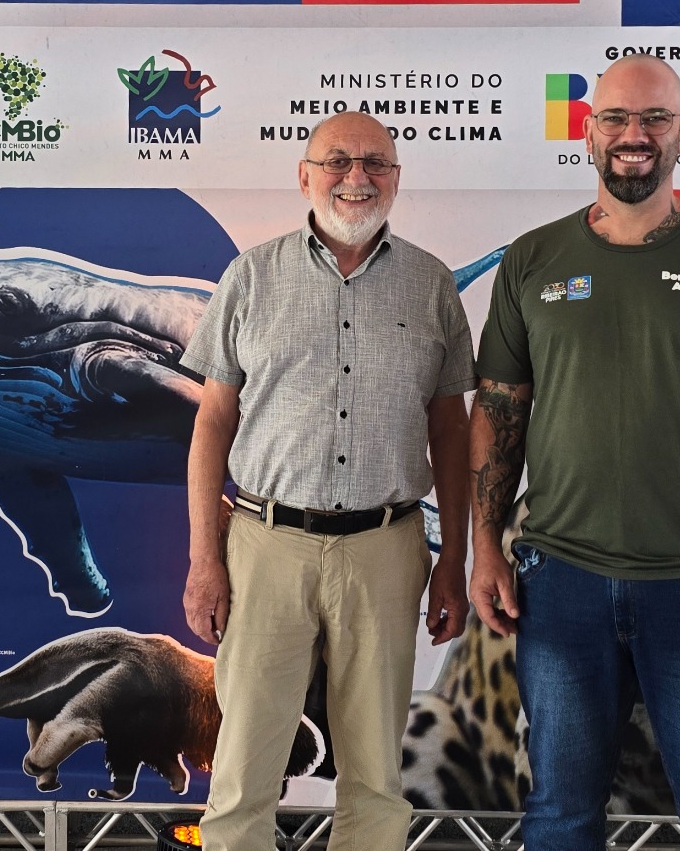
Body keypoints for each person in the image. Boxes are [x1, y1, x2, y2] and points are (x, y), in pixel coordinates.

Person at [468, 54, 680, 849]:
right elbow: (497, 412)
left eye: (655, 119)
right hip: (559, 586)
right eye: (617, 119)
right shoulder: (533, 259)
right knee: (559, 815)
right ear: (587, 133)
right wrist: (484, 545)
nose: (635, 136)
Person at [181, 111, 475, 851]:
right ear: (304, 175)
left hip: (387, 547)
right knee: (243, 766)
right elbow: (212, 423)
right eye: (337, 160)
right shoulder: (251, 275)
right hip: (264, 545)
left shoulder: (432, 284)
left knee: (375, 773)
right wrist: (203, 557)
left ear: (397, 179)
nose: (356, 177)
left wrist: (454, 562)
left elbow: (450, 432)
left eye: (375, 163)